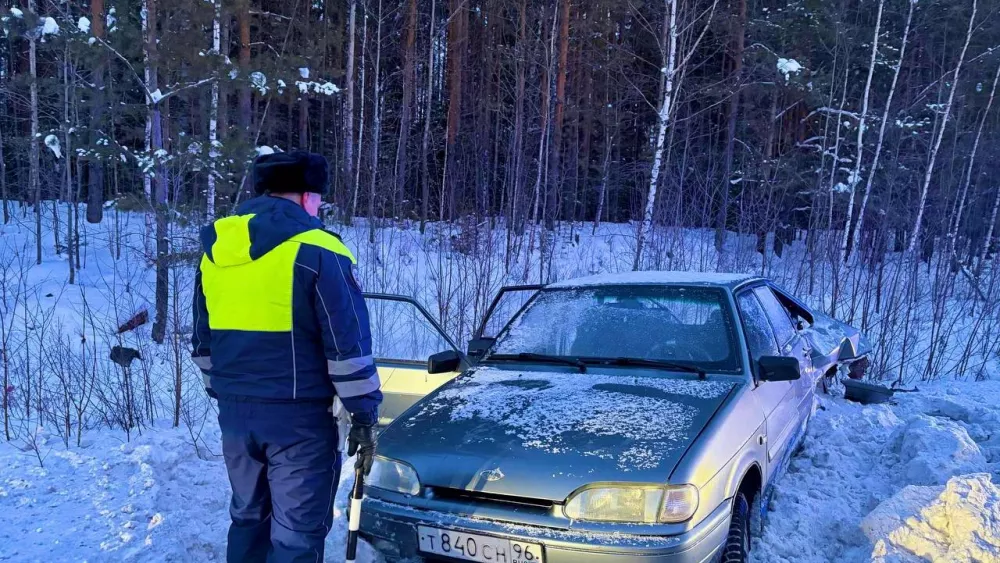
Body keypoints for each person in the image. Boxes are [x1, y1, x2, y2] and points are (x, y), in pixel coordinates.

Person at [191, 151, 381, 563]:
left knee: (248, 520)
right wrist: (364, 414)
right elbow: (347, 346)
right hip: (299, 422)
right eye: (317, 198)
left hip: (236, 417)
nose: (319, 207)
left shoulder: (216, 252)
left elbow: (204, 340)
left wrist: (227, 392)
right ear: (305, 196)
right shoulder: (318, 249)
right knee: (296, 535)